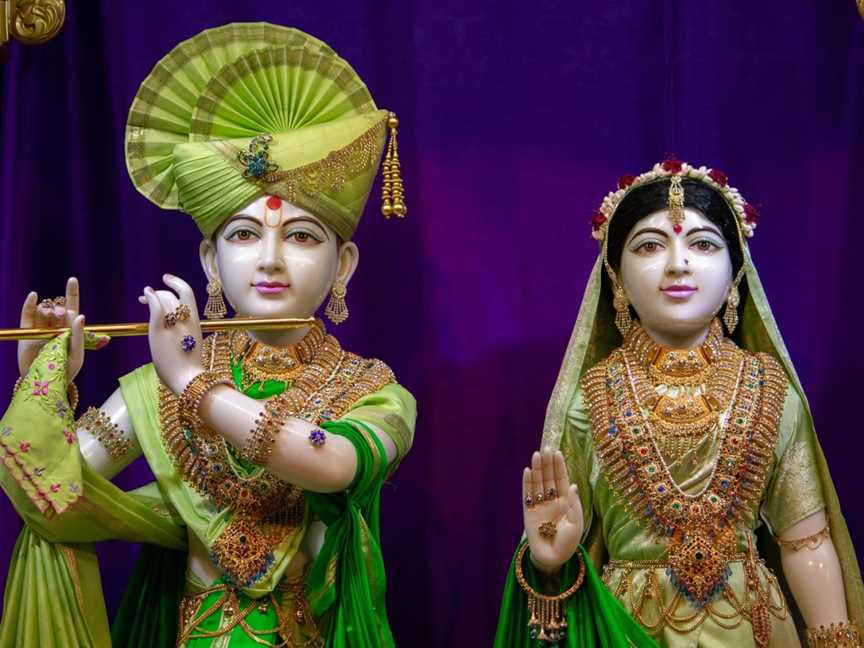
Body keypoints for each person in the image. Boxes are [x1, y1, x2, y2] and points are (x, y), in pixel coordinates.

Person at [0, 22, 414, 647]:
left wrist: (195, 383)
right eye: (244, 236)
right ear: (209, 262)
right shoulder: (154, 388)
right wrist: (43, 382)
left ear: (344, 265)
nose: (270, 259)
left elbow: (332, 463)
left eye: (301, 236)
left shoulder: (372, 391)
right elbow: (53, 493)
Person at [495, 159, 864, 647]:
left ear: (736, 275)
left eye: (704, 244)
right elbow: (563, 536)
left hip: (753, 628)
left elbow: (805, 542)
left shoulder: (769, 390)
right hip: (629, 628)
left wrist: (832, 638)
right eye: (649, 245)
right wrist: (547, 562)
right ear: (617, 278)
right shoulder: (591, 398)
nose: (677, 264)